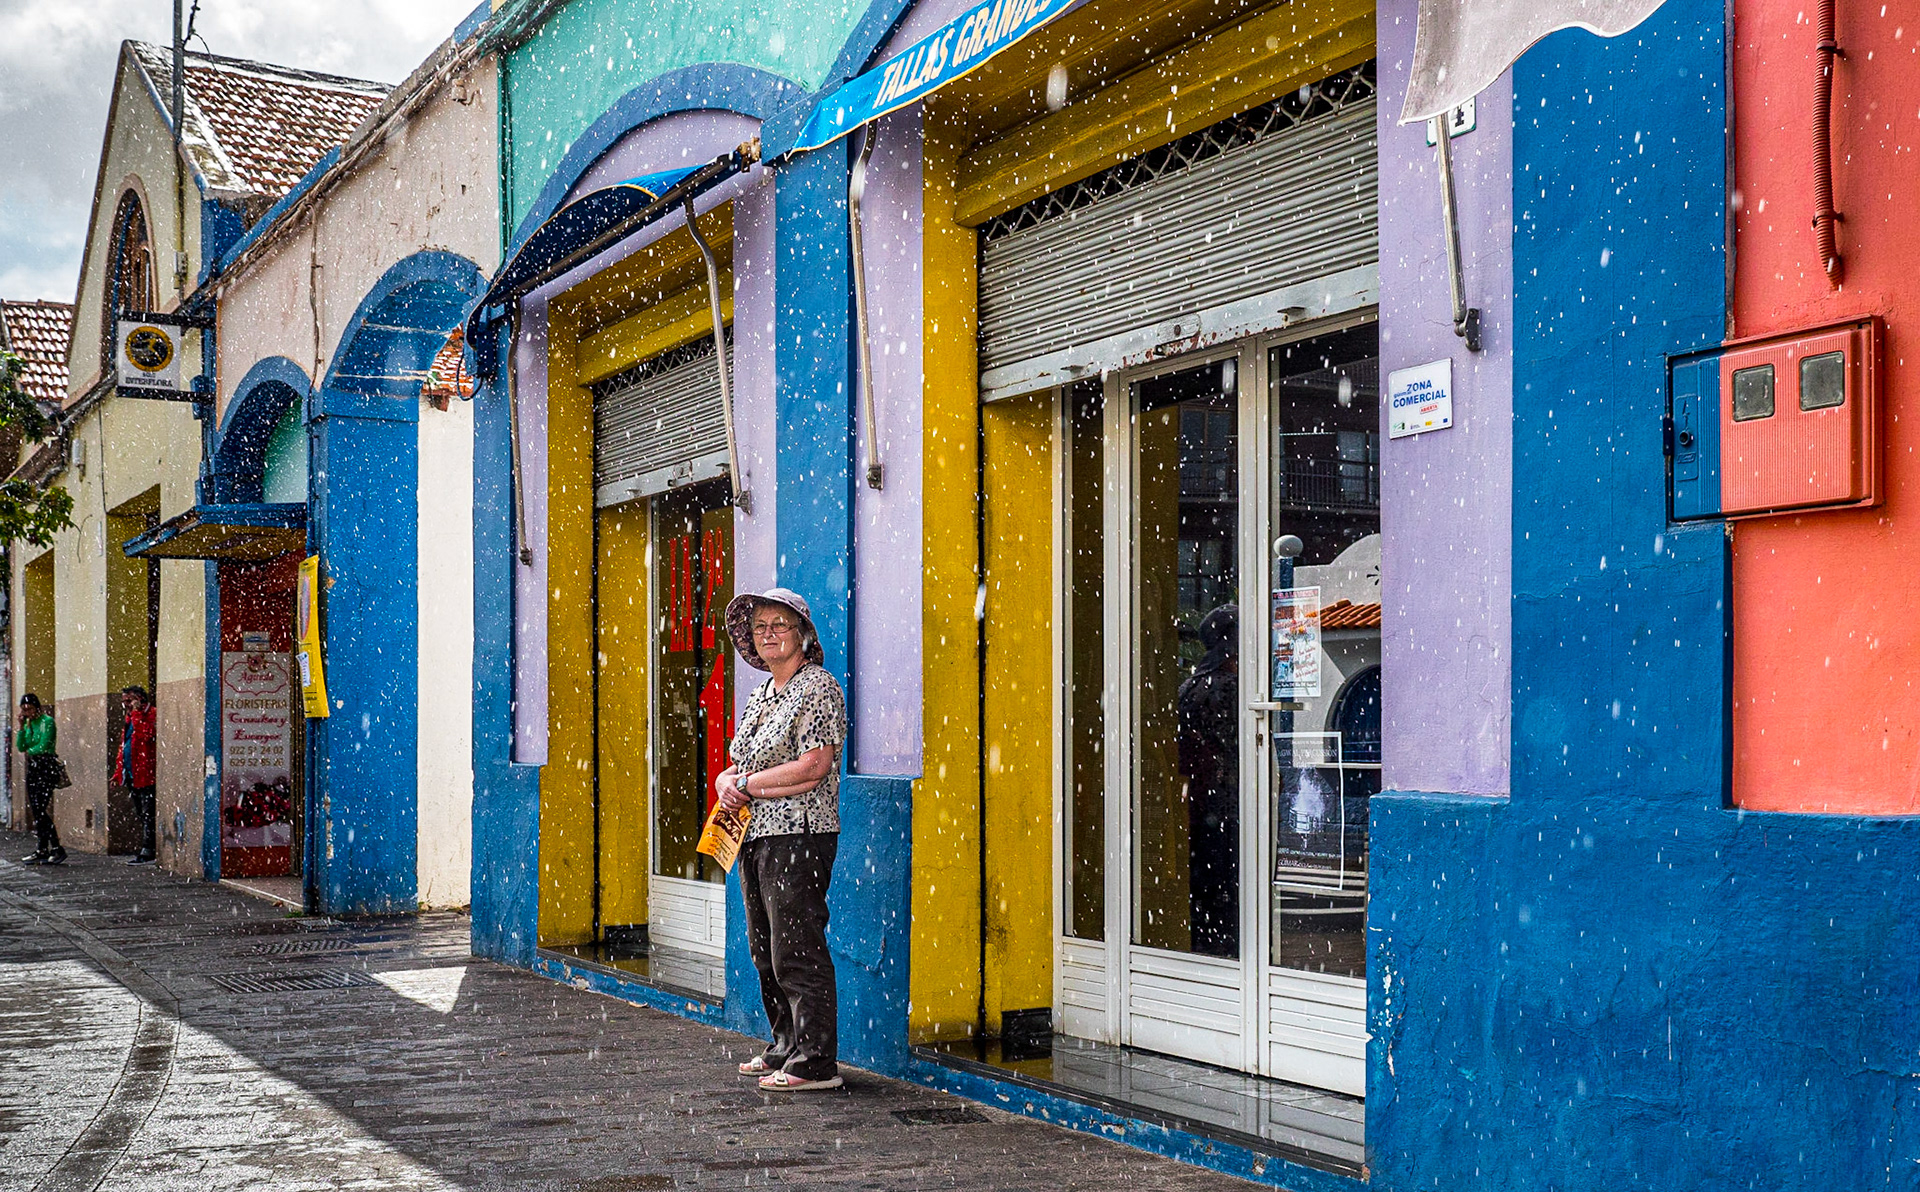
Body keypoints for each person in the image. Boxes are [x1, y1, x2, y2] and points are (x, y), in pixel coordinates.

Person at [715, 587, 847, 1092]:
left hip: (800, 834)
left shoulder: (819, 688)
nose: (767, 634)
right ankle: (786, 1046)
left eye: (779, 625)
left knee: (797, 947)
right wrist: (728, 779)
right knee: (764, 947)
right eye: (759, 628)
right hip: (755, 833)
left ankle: (816, 1062)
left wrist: (744, 785)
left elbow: (813, 766)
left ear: (803, 635)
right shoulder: (761, 693)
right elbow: (749, 763)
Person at [1177, 604, 1239, 957]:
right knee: (1229, 880)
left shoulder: (1189, 687)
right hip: (1229, 801)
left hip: (1199, 801)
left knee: (1204, 878)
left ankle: (1205, 942)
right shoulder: (1232, 688)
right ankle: (1225, 944)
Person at [16, 694, 64, 866]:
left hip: (45, 766)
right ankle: (42, 849)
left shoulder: (47, 722)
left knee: (41, 809)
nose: (26, 712)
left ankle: (57, 848)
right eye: (24, 710)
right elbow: (21, 746)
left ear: (37, 707)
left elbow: (44, 745)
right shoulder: (29, 724)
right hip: (33, 767)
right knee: (36, 810)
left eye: (29, 709)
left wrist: (32, 750)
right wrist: (21, 727)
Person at [114, 686, 157, 864]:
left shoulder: (149, 714)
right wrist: (118, 771)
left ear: (139, 699)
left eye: (129, 701)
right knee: (140, 812)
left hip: (145, 773)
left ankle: (148, 849)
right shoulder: (130, 717)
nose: (126, 705)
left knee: (148, 813)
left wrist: (138, 713)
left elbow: (145, 735)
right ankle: (147, 847)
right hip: (132, 772)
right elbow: (125, 745)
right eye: (124, 701)